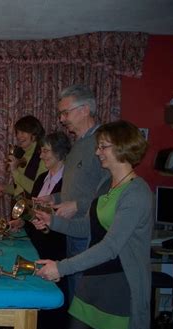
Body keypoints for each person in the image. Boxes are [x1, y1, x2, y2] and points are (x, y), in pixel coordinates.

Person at [33, 120, 152, 329]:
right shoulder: (106, 183)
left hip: (119, 283)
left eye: (103, 146)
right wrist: (53, 221)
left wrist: (61, 267)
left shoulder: (137, 192)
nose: (97, 152)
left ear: (122, 148)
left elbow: (110, 247)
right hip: (96, 276)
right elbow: (89, 227)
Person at [35, 85, 110, 300]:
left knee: (84, 300)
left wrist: (78, 205)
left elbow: (111, 193)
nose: (61, 119)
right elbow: (76, 190)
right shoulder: (79, 144)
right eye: (60, 114)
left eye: (65, 113)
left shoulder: (102, 143)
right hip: (72, 230)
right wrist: (54, 198)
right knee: (75, 296)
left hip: (89, 234)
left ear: (85, 109)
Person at [12, 131, 71, 329]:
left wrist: (46, 225)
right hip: (37, 241)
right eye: (42, 150)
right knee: (38, 287)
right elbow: (35, 211)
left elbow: (67, 218)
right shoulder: (41, 178)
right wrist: (22, 221)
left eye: (46, 151)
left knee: (53, 293)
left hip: (55, 244)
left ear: (59, 152)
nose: (42, 155)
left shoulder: (67, 182)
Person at [0, 115, 47, 198]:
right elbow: (20, 190)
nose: (18, 136)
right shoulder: (21, 154)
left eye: (23, 132)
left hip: (34, 208)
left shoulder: (43, 156)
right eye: (17, 132)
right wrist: (3, 188)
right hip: (20, 206)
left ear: (34, 133)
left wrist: (14, 170)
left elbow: (37, 189)